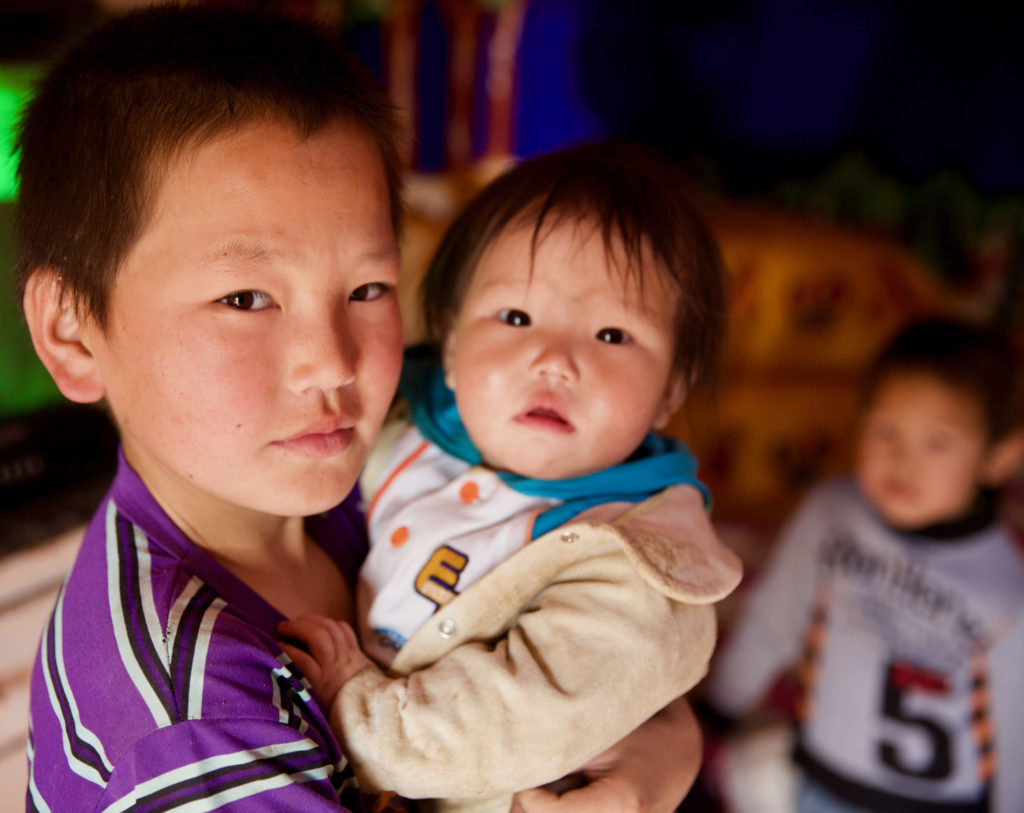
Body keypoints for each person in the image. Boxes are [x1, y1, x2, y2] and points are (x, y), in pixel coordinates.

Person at [15, 7, 709, 812]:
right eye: (246, 297)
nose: (333, 360)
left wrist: (668, 745)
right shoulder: (193, 715)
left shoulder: (364, 474)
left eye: (367, 289)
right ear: (72, 331)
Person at [279, 142, 744, 812]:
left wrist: (360, 708)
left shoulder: (637, 560)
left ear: (670, 391)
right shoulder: (404, 423)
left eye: (612, 334)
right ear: (453, 342)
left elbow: (523, 717)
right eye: (517, 317)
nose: (554, 359)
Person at [701, 318, 1024, 813]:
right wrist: (722, 706)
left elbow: (1015, 725)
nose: (902, 460)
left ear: (1000, 456)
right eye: (885, 430)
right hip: (823, 785)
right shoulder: (832, 513)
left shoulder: (1007, 587)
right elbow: (775, 616)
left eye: (937, 442)